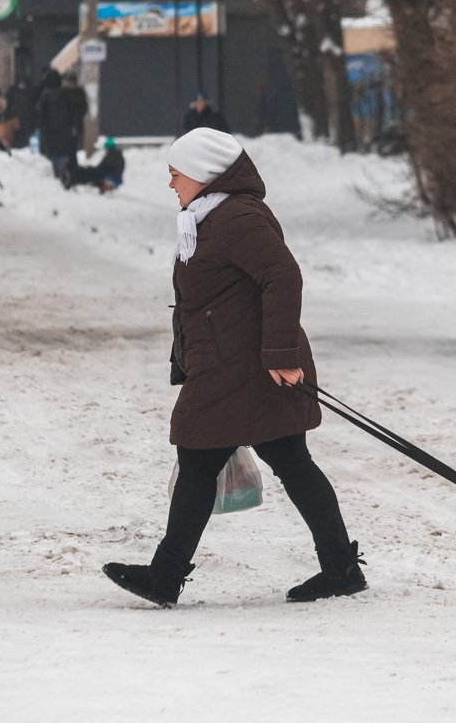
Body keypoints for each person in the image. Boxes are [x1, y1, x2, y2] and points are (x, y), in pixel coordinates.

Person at [103, 127, 367, 608]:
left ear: (203, 175)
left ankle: (165, 576)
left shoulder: (235, 218)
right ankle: (340, 568)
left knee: (200, 458)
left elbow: (282, 276)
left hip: (249, 369)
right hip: (236, 366)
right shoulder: (209, 217)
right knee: (281, 462)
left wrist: (282, 354)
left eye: (175, 174)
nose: (171, 185)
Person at [35, 68, 76, 178]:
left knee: (54, 152)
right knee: (63, 150)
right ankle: (63, 169)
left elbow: (41, 113)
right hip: (64, 128)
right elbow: (72, 111)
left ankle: (56, 171)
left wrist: (41, 126)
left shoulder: (45, 95)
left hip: (50, 129)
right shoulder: (65, 93)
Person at [63, 71, 89, 151]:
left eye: (72, 82)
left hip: (77, 121)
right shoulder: (64, 92)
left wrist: (79, 114)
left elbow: (84, 106)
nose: (71, 84)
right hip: (67, 122)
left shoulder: (80, 92)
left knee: (76, 142)